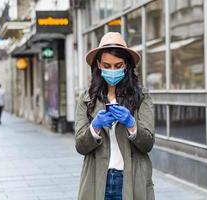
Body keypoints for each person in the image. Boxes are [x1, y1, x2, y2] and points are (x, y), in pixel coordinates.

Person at [75, 32, 155, 200]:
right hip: (97, 179)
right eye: (107, 65)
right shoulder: (87, 99)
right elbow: (80, 146)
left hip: (131, 179)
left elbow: (148, 144)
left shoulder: (142, 97)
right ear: (98, 65)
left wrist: (131, 124)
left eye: (118, 66)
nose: (112, 71)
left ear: (126, 66)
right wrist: (95, 126)